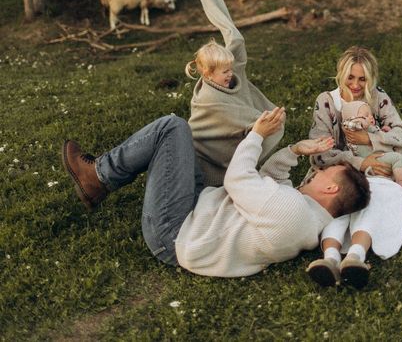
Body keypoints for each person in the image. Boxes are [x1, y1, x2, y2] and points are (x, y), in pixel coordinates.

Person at [61, 108, 370, 277]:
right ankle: (101, 175)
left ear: (330, 187)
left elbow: (239, 180)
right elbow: (267, 181)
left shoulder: (291, 211)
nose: (316, 170)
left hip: (174, 232)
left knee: (172, 127)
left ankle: (98, 177)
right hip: (197, 212)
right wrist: (293, 150)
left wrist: (256, 136)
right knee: (183, 143)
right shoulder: (304, 221)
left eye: (322, 172)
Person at [305, 46, 402, 289]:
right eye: (350, 77)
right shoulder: (326, 102)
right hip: (338, 169)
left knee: (375, 197)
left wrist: (371, 141)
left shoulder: (378, 97)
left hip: (375, 171)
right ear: (340, 75)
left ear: (371, 79)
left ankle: (356, 256)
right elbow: (319, 153)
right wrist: (359, 161)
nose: (356, 85)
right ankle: (331, 258)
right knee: (338, 196)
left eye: (362, 79)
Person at [187, 0, 284, 187]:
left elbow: (235, 40)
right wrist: (267, 120)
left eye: (231, 69)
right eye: (225, 72)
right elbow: (240, 120)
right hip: (212, 165)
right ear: (207, 73)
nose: (231, 74)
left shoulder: (227, 73)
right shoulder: (210, 101)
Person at [341, 100, 402, 194]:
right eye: (366, 115)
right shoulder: (353, 128)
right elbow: (354, 123)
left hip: (379, 156)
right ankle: (400, 182)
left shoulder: (370, 127)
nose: (371, 117)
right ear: (354, 117)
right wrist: (362, 120)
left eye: (371, 114)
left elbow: (378, 138)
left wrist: (385, 132)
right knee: (398, 158)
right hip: (371, 160)